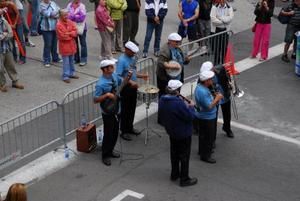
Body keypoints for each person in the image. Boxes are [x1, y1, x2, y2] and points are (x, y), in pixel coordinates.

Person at [94, 59, 135, 166]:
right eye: (111, 67)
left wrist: (128, 78)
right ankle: (105, 155)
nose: (113, 68)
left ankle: (111, 150)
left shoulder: (114, 76)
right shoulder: (100, 84)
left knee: (115, 131)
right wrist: (107, 95)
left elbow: (123, 83)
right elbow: (95, 99)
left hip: (117, 108)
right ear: (105, 69)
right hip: (108, 112)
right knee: (108, 133)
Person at [159, 79, 198, 187]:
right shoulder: (178, 103)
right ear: (177, 90)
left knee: (174, 153)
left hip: (171, 131)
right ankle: (184, 179)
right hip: (183, 133)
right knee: (184, 156)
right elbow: (190, 117)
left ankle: (174, 174)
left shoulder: (162, 99)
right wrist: (191, 107)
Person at [116, 41, 148, 141]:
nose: (134, 54)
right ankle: (124, 131)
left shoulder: (132, 58)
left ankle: (130, 127)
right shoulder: (121, 60)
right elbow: (118, 76)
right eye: (132, 52)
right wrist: (130, 82)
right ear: (127, 49)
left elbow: (132, 72)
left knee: (132, 108)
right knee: (125, 110)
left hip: (133, 87)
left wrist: (141, 76)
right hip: (125, 88)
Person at [194, 70, 223, 163]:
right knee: (208, 137)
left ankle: (202, 151)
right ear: (206, 81)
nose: (212, 80)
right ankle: (206, 155)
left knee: (203, 136)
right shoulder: (203, 92)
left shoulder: (200, 87)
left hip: (203, 116)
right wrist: (217, 98)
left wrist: (214, 95)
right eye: (210, 79)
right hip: (207, 117)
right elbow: (209, 106)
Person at [200, 61, 234, 139]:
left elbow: (227, 78)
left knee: (227, 113)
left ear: (212, 69)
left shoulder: (221, 69)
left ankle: (227, 128)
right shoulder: (203, 77)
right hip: (214, 96)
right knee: (213, 116)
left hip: (224, 93)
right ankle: (213, 137)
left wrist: (229, 85)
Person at [0, 8, 24, 93]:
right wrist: (4, 34)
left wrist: (4, 36)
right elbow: (6, 34)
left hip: (7, 48)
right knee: (0, 69)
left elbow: (11, 33)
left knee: (11, 66)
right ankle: (2, 84)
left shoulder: (4, 21)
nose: (1, 11)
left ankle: (15, 81)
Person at [56, 9, 78, 83]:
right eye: (64, 15)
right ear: (60, 16)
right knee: (66, 62)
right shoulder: (58, 25)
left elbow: (75, 32)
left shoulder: (70, 22)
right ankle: (65, 76)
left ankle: (72, 73)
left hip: (71, 45)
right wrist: (71, 34)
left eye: (67, 14)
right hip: (64, 46)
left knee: (72, 60)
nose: (66, 16)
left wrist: (68, 33)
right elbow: (62, 36)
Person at [210, 0, 233, 65]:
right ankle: (216, 65)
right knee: (216, 49)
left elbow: (230, 19)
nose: (222, 1)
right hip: (216, 30)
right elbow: (213, 20)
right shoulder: (214, 7)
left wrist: (220, 18)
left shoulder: (229, 8)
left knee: (224, 48)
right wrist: (224, 21)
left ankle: (223, 64)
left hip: (225, 31)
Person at [39, 0, 60, 67]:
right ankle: (46, 60)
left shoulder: (53, 3)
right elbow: (48, 14)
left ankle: (55, 58)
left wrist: (55, 14)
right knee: (48, 45)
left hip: (55, 27)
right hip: (46, 29)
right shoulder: (41, 5)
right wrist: (56, 13)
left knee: (54, 44)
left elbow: (59, 11)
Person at [67, 0, 88, 66]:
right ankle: (76, 59)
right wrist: (76, 16)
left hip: (82, 28)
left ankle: (83, 59)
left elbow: (82, 18)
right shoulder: (69, 5)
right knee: (74, 43)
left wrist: (73, 16)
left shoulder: (82, 6)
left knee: (83, 44)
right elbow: (67, 17)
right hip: (72, 28)